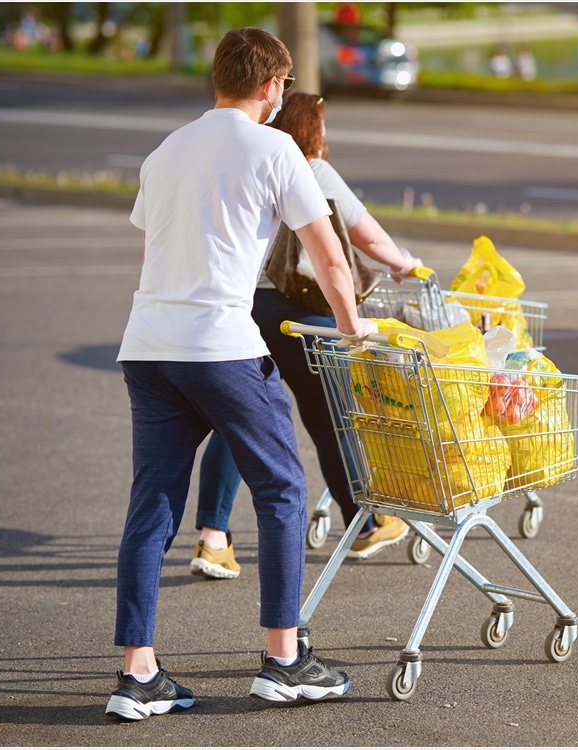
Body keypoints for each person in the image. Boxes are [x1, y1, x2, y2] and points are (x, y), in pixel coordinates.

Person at [106, 27, 378, 722]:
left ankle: (138, 674)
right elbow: (329, 256)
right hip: (220, 344)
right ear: (269, 86)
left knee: (153, 506)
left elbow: (163, 242)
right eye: (282, 85)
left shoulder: (167, 150)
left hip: (148, 345)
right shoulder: (275, 147)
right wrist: (354, 327)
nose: (282, 96)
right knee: (283, 486)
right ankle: (285, 661)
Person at [190, 91, 422, 578]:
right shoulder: (309, 168)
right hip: (302, 314)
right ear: (313, 129)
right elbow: (365, 236)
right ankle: (364, 526)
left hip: (247, 309)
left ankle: (212, 540)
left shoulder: (248, 158)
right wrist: (405, 264)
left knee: (238, 419)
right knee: (329, 419)